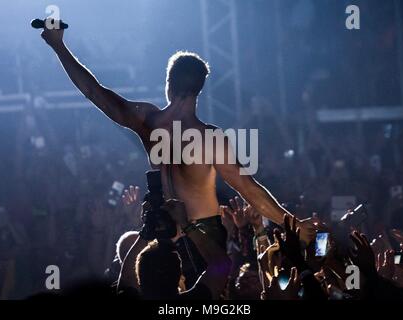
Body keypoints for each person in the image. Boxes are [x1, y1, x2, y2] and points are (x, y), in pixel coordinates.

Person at [39, 25, 317, 248]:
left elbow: (93, 91)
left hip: (164, 235)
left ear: (168, 85)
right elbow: (248, 188)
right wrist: (290, 223)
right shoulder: (210, 138)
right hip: (202, 238)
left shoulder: (147, 121)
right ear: (199, 91)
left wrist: (59, 46)